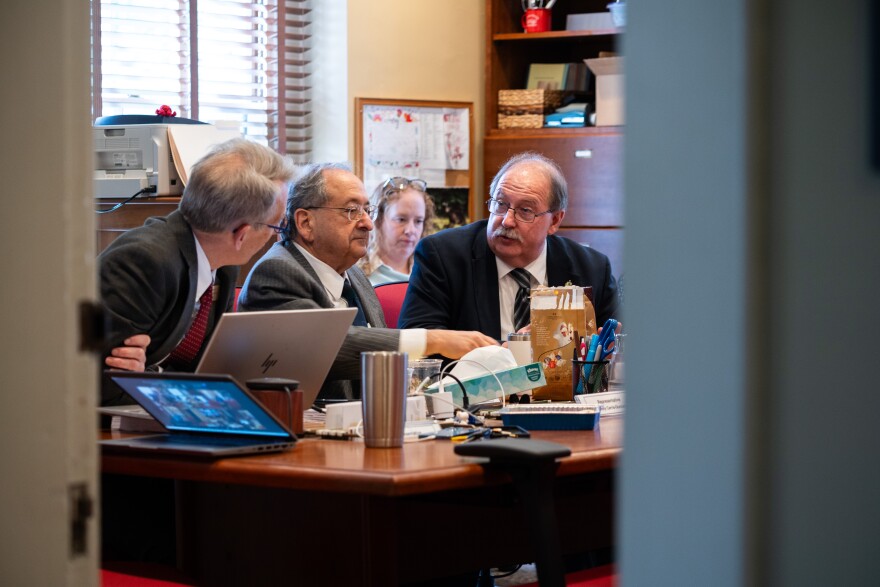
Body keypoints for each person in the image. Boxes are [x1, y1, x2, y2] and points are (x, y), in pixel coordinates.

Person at [238, 163, 497, 401]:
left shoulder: (356, 276)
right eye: (352, 211)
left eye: (367, 210)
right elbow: (328, 346)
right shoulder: (276, 272)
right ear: (306, 223)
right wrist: (432, 340)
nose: (367, 223)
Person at [98, 137, 295, 404]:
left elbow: (207, 371)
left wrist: (150, 376)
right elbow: (106, 383)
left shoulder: (223, 265)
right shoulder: (143, 261)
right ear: (241, 234)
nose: (275, 237)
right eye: (276, 226)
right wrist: (149, 379)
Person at [398, 152, 620, 340]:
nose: (506, 220)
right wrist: (501, 356)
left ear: (554, 221)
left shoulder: (593, 269)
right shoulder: (442, 256)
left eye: (526, 210)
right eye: (501, 204)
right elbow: (419, 344)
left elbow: (614, 350)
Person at [357, 176, 435, 285]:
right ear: (378, 220)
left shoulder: (431, 274)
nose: (410, 230)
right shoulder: (356, 275)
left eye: (418, 221)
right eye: (401, 219)